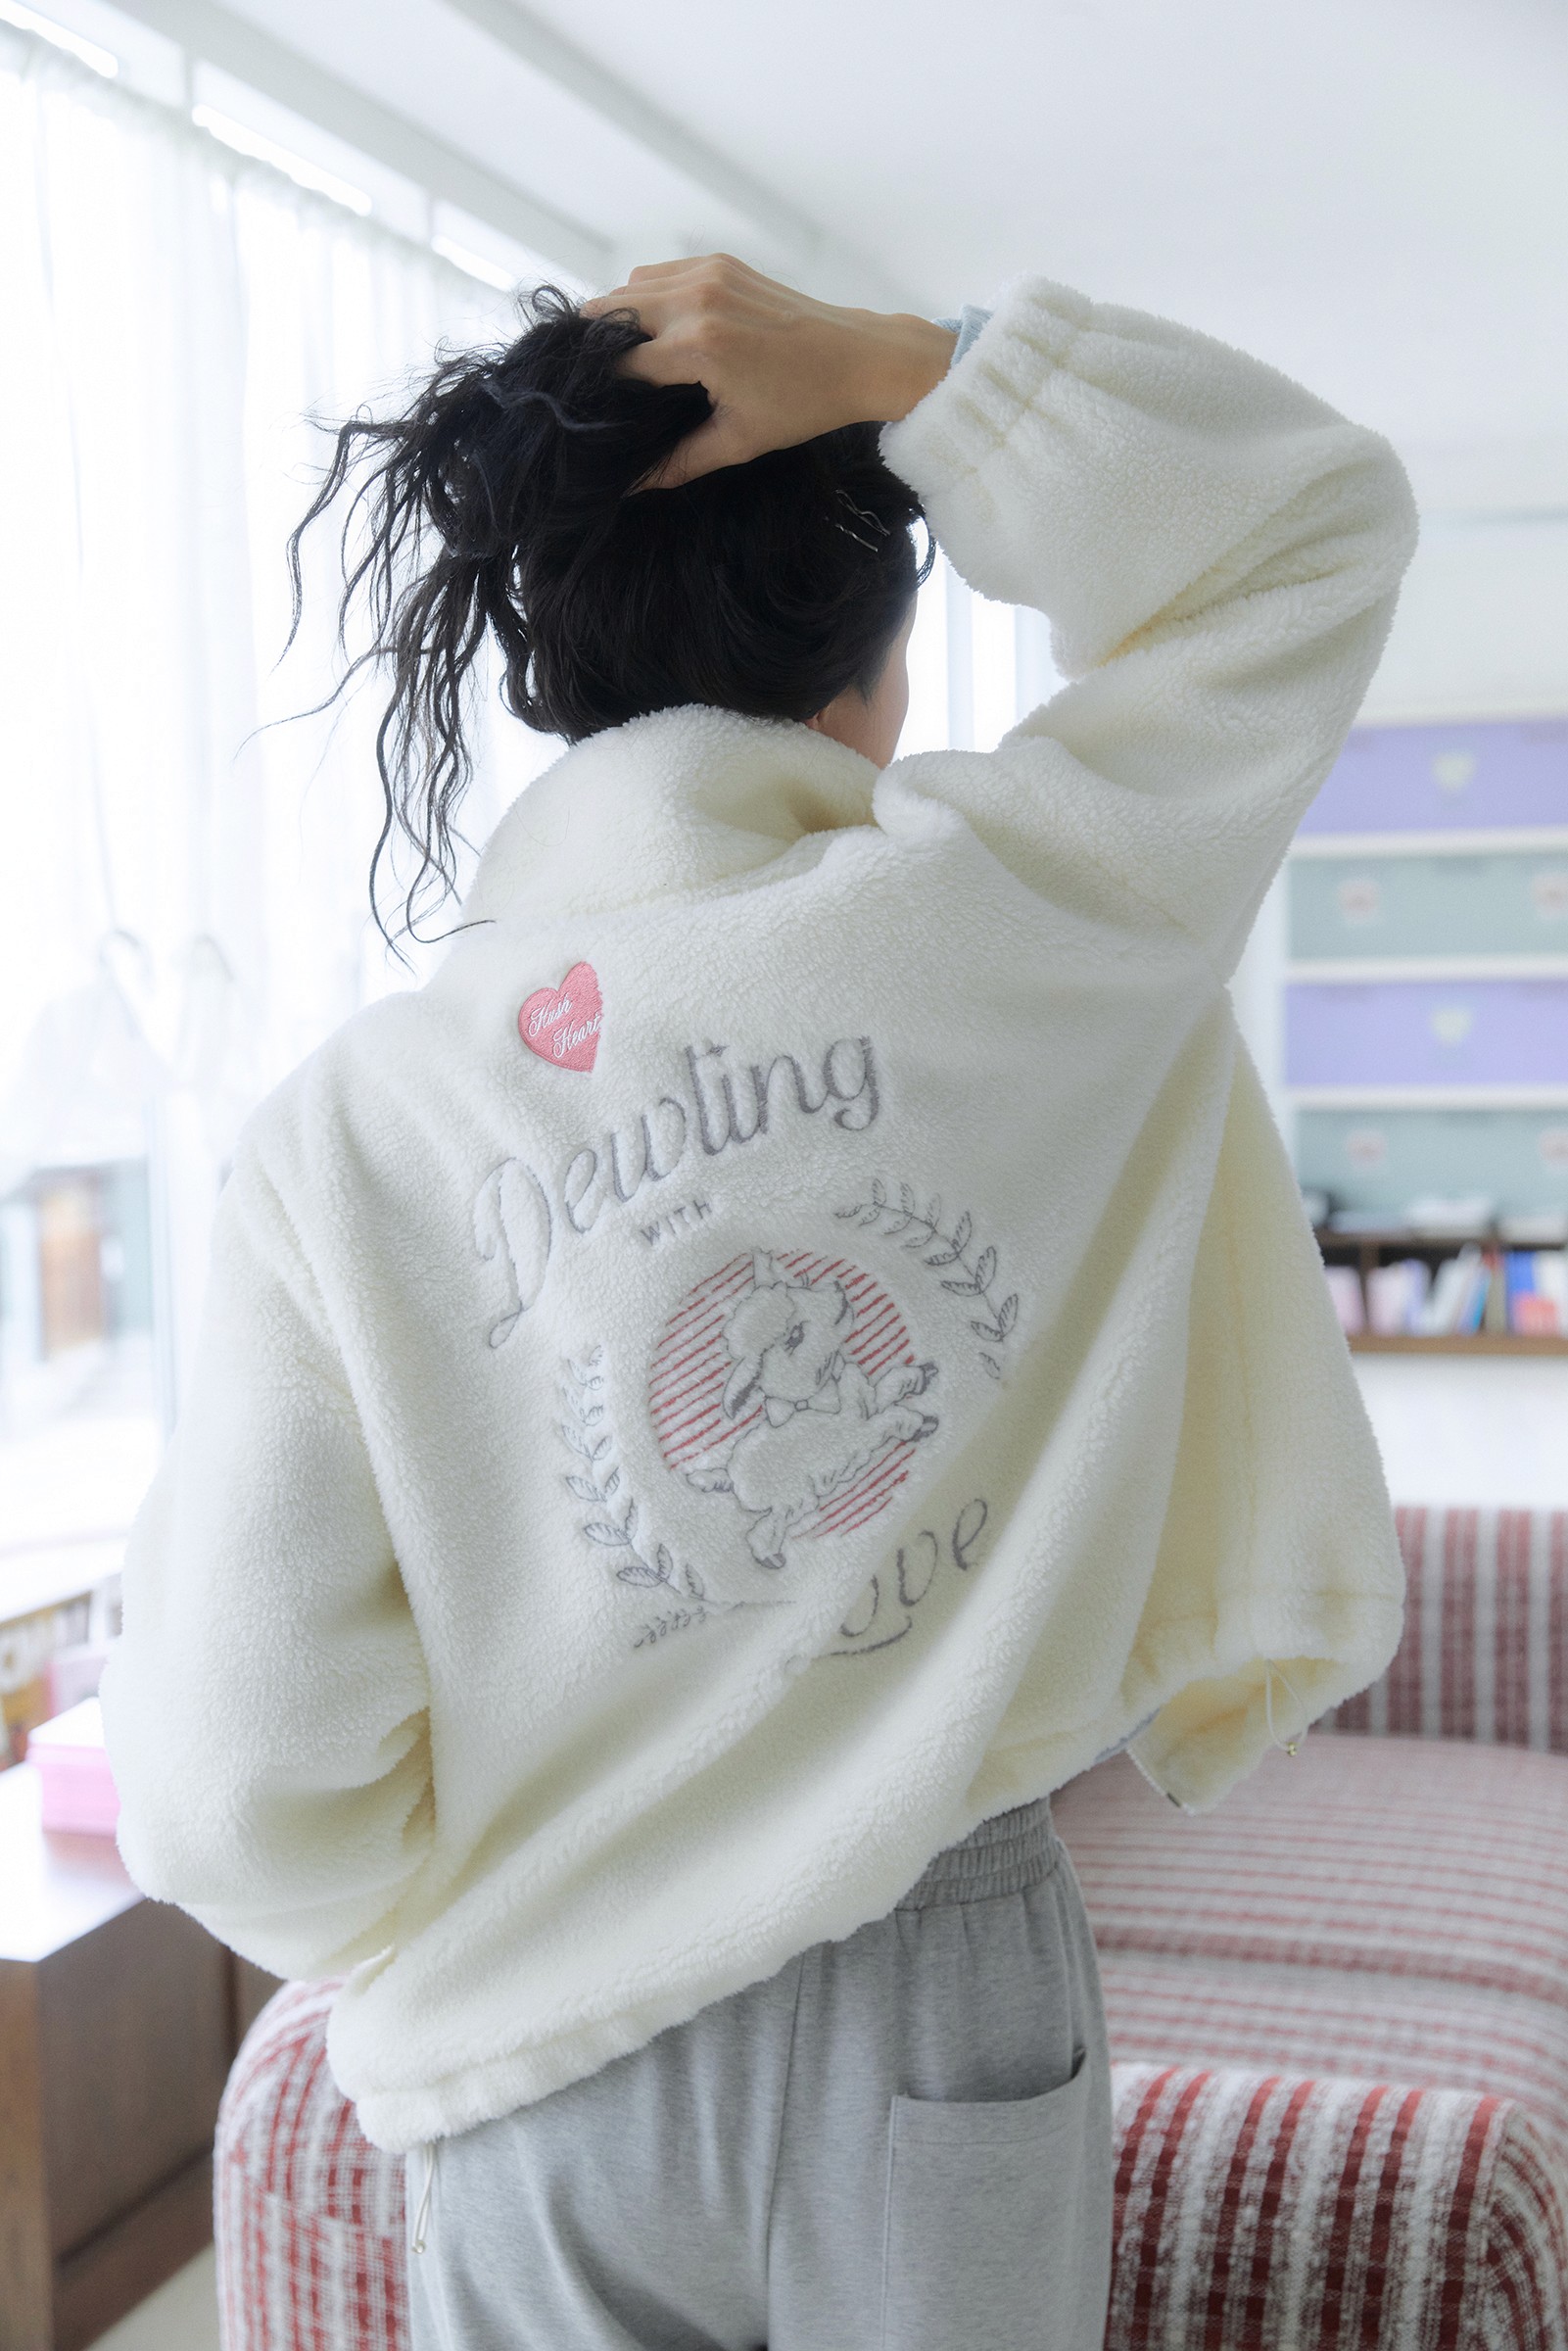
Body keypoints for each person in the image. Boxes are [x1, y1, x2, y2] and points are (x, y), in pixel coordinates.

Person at [100, 253, 1417, 2348]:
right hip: (939, 1974)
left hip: (544, 2028)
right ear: (880, 659)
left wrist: (455, 1896)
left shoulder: (353, 1131)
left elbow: (230, 1773)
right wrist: (918, 365)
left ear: (547, 670)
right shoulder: (1033, 908)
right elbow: (1305, 531)